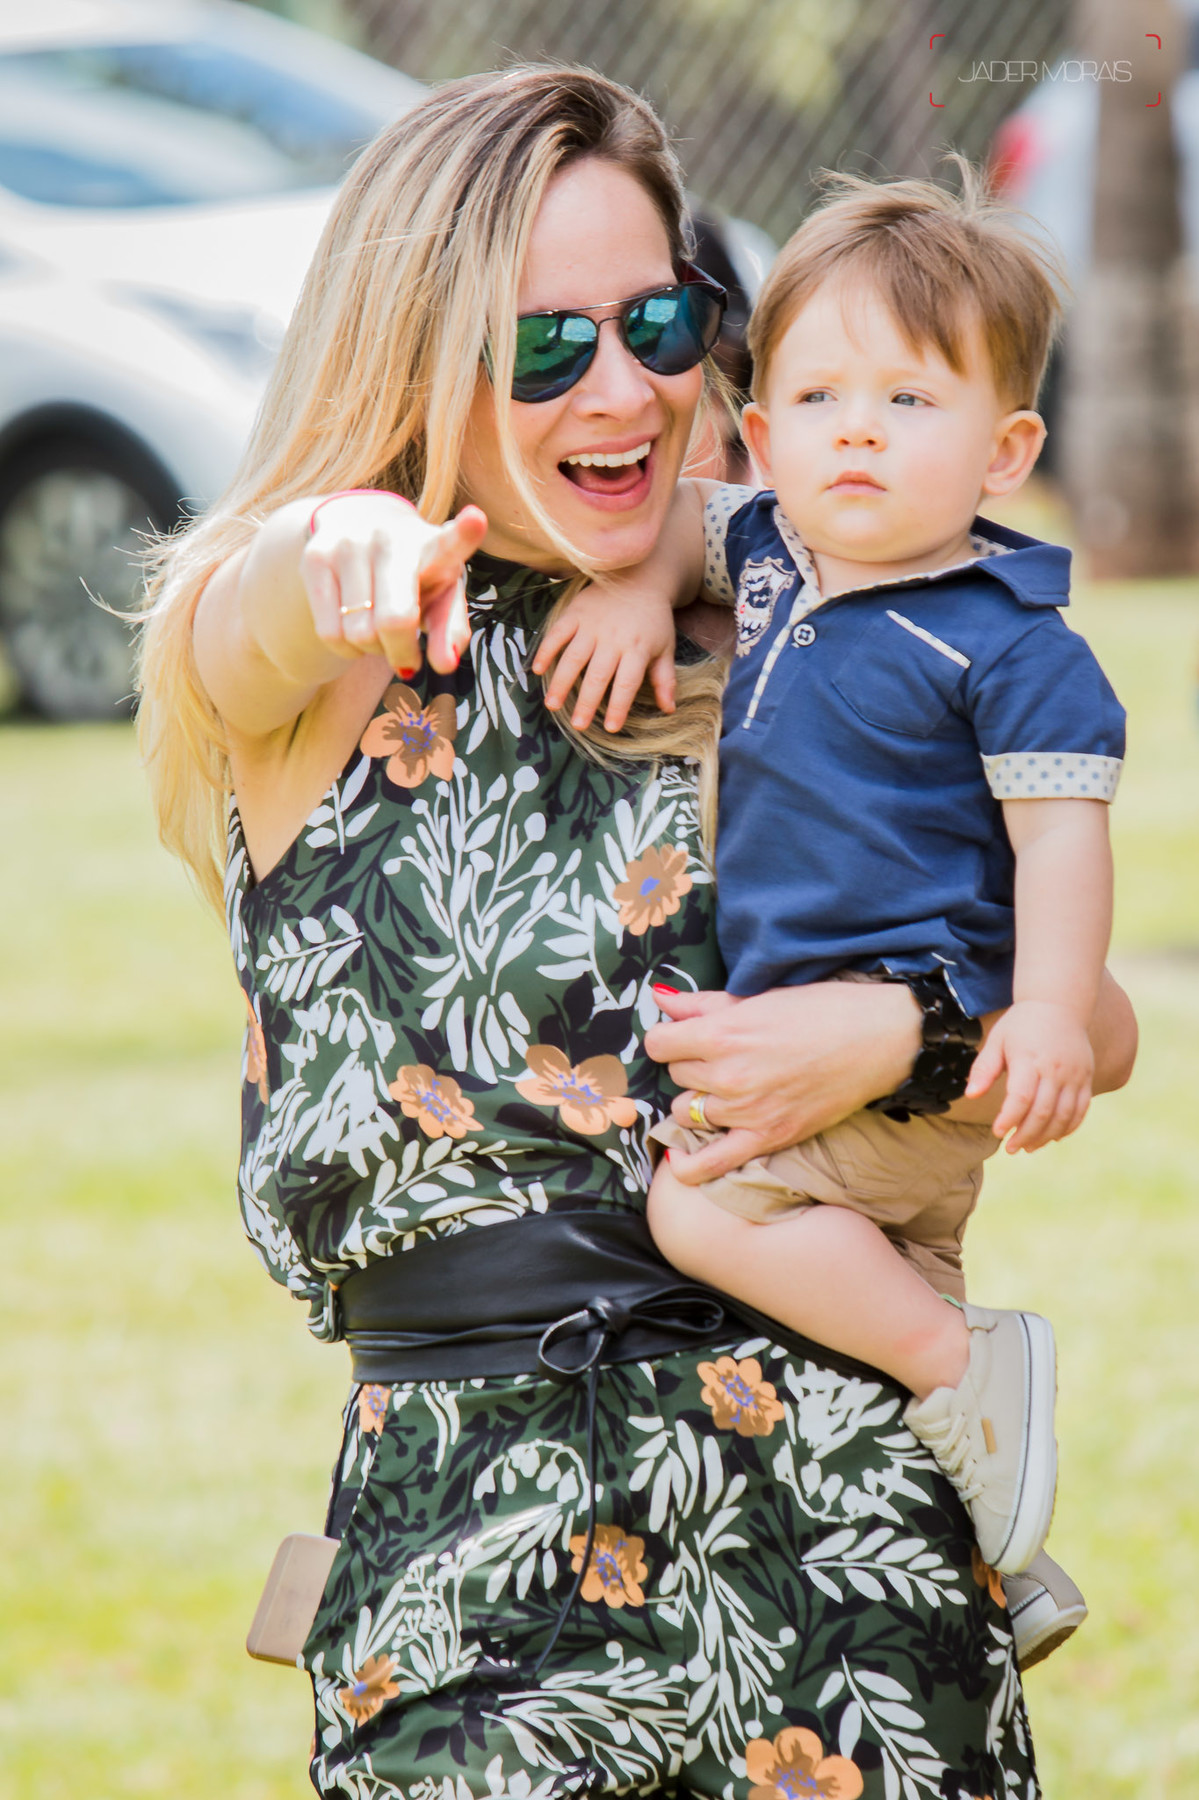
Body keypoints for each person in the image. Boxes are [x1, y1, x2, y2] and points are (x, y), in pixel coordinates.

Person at [136, 72, 1135, 1798]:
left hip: (838, 1535)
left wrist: (910, 1035)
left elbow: (1096, 1022)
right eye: (543, 348)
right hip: (468, 1561)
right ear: (416, 355)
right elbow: (241, 620)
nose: (624, 387)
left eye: (660, 320)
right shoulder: (338, 660)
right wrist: (341, 545)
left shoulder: (777, 640)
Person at [539, 170, 1123, 1629]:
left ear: (1007, 450)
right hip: (870, 1108)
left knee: (703, 1206)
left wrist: (1045, 1012)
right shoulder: (770, 560)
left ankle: (959, 1368)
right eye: (817, 400)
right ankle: (998, 1539)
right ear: (762, 431)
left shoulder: (1009, 644)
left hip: (910, 1059)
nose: (855, 429)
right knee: (878, 1300)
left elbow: (1060, 846)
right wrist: (631, 590)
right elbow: (686, 522)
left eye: (910, 405)